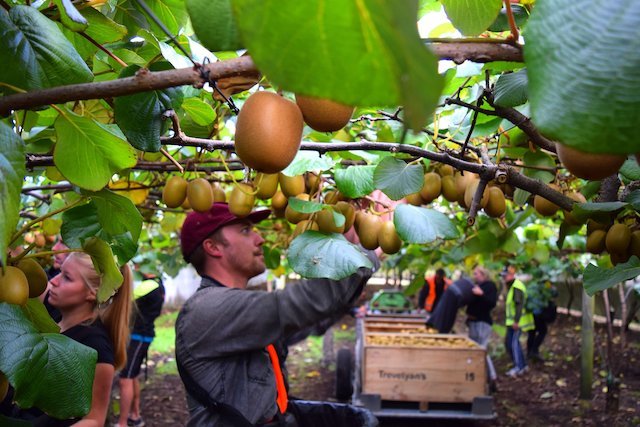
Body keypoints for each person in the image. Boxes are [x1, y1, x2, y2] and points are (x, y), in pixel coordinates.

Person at [174, 203, 378, 426]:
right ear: (213, 247)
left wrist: (349, 247)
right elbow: (302, 304)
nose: (260, 239)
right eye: (245, 230)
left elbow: (309, 319)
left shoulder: (235, 310)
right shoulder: (208, 309)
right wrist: (365, 254)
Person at [1, 252, 132, 426]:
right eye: (60, 272)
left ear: (93, 293)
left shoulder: (96, 346)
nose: (53, 281)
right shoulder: (52, 318)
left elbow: (94, 420)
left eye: (67, 277)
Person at [115, 273, 166, 427]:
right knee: (132, 375)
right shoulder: (157, 284)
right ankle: (135, 415)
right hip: (142, 335)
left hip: (139, 336)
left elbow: (126, 298)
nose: (137, 268)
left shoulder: (150, 285)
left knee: (125, 378)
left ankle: (122, 423)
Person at [465, 266, 498, 389]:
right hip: (473, 322)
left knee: (481, 350)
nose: (475, 276)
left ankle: (492, 376)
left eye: (477, 273)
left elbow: (491, 303)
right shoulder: (475, 286)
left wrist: (481, 294)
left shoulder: (489, 286)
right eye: (474, 274)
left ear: (483, 274)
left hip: (482, 323)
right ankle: (479, 377)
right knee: (475, 350)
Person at [501, 264, 534, 377]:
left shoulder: (516, 287)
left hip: (516, 323)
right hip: (513, 323)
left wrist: (516, 321)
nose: (503, 278)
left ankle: (518, 367)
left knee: (513, 344)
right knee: (512, 344)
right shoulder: (512, 286)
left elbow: (519, 305)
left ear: (511, 275)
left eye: (505, 276)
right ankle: (523, 365)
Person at [526, 281, 557, 362]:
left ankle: (529, 353)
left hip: (530, 313)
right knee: (543, 331)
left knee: (531, 333)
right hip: (538, 313)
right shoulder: (546, 285)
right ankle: (534, 350)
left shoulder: (531, 285)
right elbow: (555, 294)